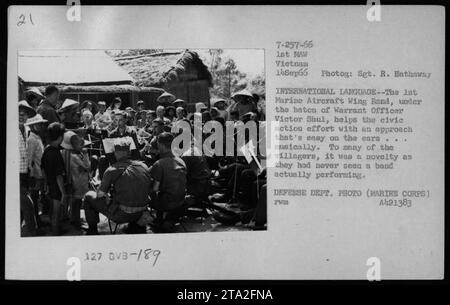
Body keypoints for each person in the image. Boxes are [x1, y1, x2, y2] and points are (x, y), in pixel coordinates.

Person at [83, 138, 151, 235]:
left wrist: (101, 189)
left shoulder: (112, 170)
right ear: (129, 151)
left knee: (89, 196)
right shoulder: (144, 166)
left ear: (116, 152)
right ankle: (134, 227)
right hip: (142, 212)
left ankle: (92, 231)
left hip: (122, 214)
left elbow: (100, 195)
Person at [149, 132, 187, 217]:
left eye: (158, 144)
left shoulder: (159, 164)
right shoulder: (181, 161)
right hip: (181, 201)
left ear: (161, 145)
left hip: (167, 204)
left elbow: (155, 189)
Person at [61, 131, 91, 230]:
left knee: (74, 202)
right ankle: (76, 221)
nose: (82, 146)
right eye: (79, 144)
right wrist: (86, 154)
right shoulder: (75, 156)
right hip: (78, 182)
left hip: (75, 180)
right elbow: (87, 166)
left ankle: (72, 218)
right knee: (77, 202)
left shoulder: (66, 153)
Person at [41, 122, 67, 235]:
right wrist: (63, 193)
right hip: (57, 188)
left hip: (50, 186)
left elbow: (43, 169)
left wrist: (46, 185)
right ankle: (56, 233)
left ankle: (55, 229)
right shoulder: (56, 153)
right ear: (60, 137)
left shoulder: (46, 149)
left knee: (52, 211)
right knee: (57, 213)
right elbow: (59, 176)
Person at [19, 100, 39, 236]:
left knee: (21, 206)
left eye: (24, 113)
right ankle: (33, 232)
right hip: (14, 174)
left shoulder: (27, 130)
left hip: (24, 172)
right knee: (27, 204)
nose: (21, 115)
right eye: (19, 113)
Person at [25, 114, 48, 228]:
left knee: (36, 197)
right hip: (35, 173)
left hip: (39, 172)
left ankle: (36, 220)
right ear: (33, 126)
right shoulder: (32, 139)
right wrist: (31, 175)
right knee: (34, 197)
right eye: (39, 124)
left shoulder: (37, 137)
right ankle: (35, 221)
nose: (41, 126)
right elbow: (29, 158)